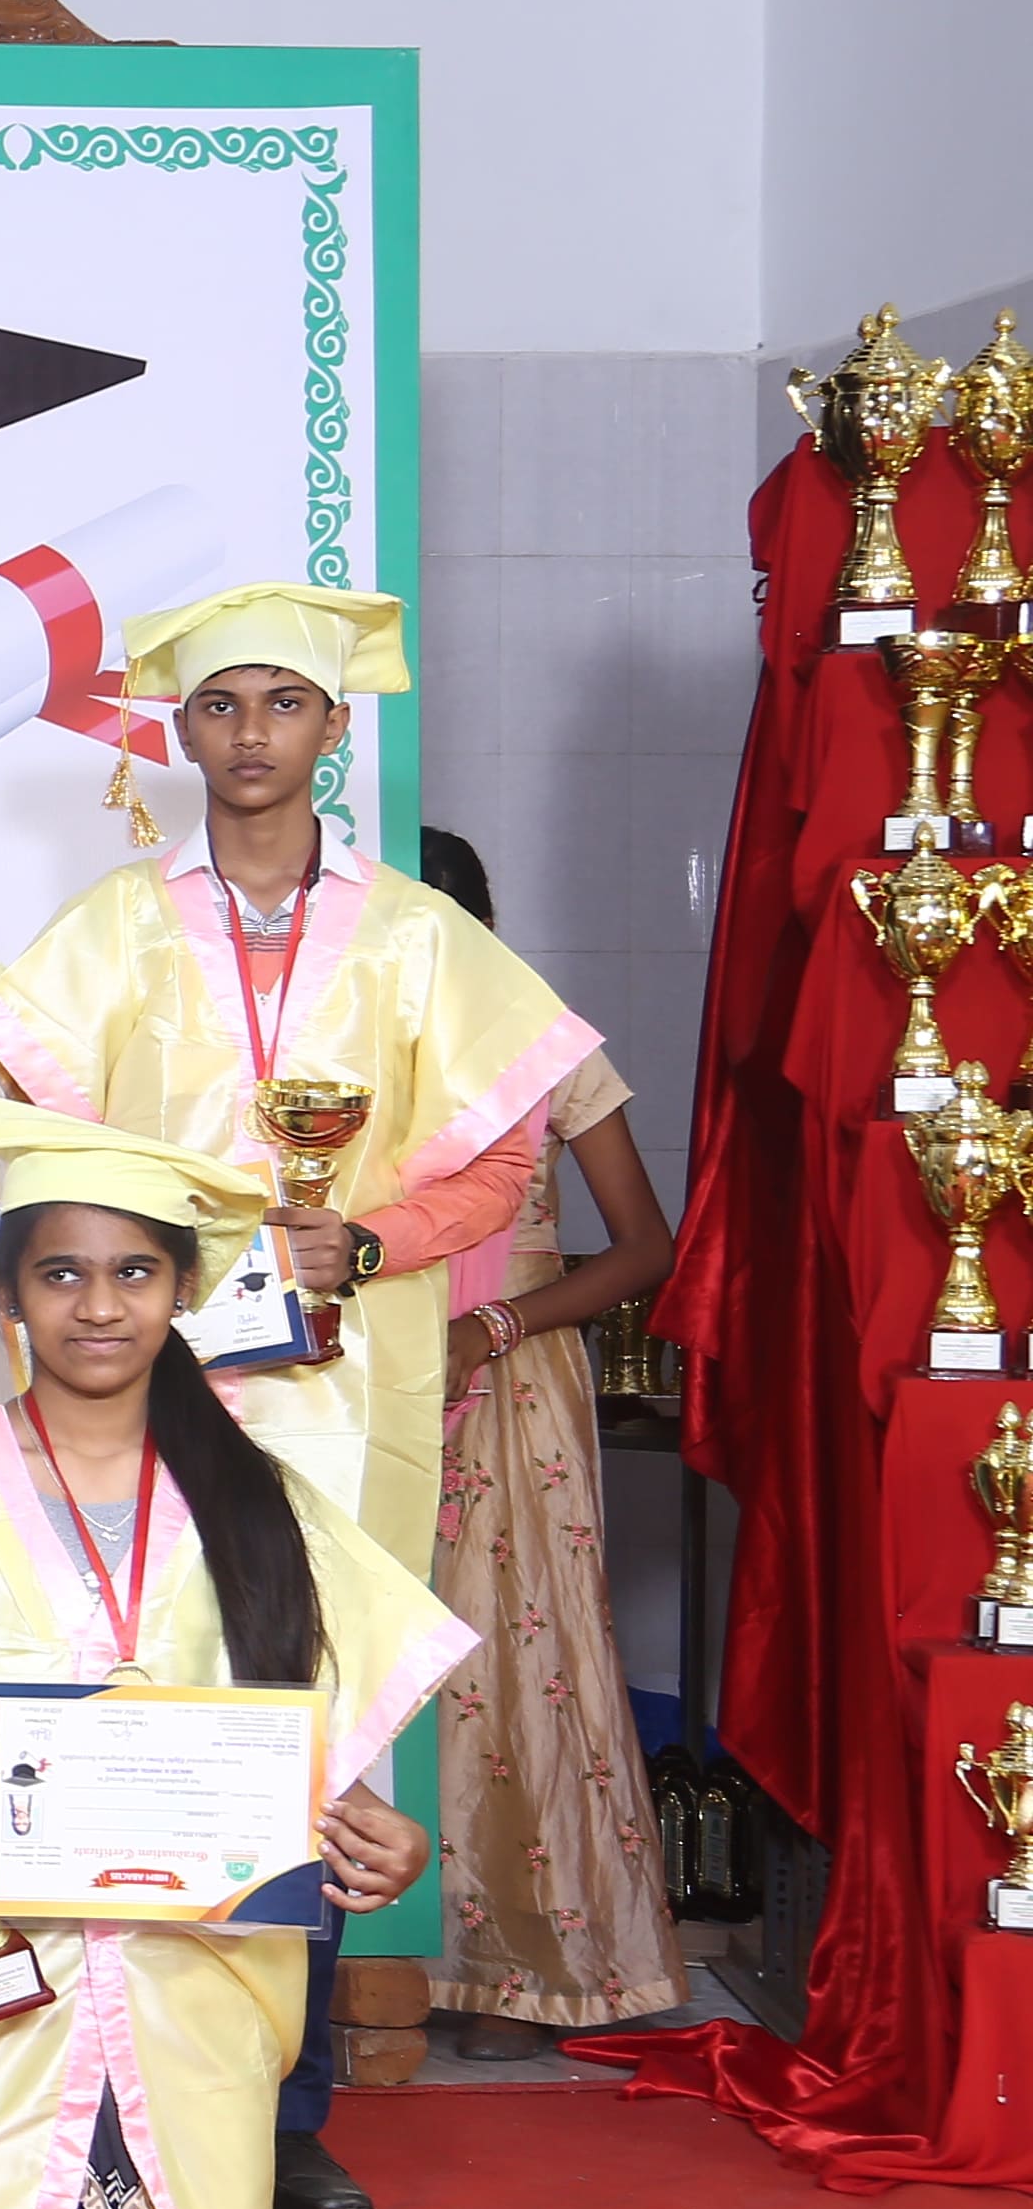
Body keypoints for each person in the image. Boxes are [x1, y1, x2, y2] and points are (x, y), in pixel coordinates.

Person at [0, 582, 596, 2209]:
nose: (252, 735)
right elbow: (6, 1134)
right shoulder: (113, 927)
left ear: (333, 725)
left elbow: (504, 1162)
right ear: (180, 731)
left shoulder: (418, 933)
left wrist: (368, 1235)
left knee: (308, 1721)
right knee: (124, 1687)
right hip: (133, 1380)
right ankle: (94, 2082)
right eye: (221, 705)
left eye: (285, 704)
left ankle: (288, 2101)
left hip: (338, 1390)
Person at [0, 1107, 469, 2209]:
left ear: (184, 1287)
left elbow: (322, 1730)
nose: (97, 1307)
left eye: (134, 1272)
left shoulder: (258, 1495)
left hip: (198, 1960)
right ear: (5, 1295)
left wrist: (380, 1829)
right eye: (59, 1274)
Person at [410, 832, 686, 2050]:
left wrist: (495, 1324)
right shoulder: (349, 1051)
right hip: (374, 1369)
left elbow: (646, 1248)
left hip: (511, 1375)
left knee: (516, 1654)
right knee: (378, 1652)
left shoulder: (548, 1047)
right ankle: (375, 1967)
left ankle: (521, 1965)